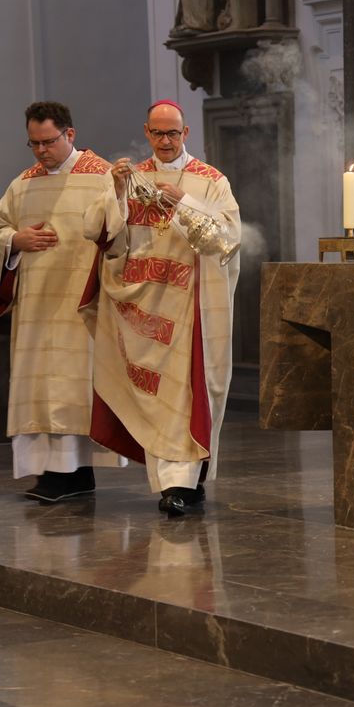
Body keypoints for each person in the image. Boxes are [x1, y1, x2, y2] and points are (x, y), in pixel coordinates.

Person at [92, 99, 241, 516]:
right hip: (144, 307)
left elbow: (227, 240)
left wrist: (183, 203)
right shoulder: (133, 177)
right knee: (156, 399)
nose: (165, 141)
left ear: (186, 134)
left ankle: (183, 485)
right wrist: (118, 193)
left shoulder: (211, 182)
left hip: (191, 307)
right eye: (157, 133)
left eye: (172, 133)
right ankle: (177, 485)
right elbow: (107, 238)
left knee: (188, 395)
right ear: (146, 132)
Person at [0, 101, 124, 503]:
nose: (41, 151)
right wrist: (16, 241)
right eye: (33, 144)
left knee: (73, 391)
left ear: (70, 134)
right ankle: (55, 473)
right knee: (41, 390)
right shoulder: (23, 183)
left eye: (48, 141)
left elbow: (120, 231)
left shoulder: (101, 177)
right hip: (36, 308)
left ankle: (75, 474)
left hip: (82, 305)